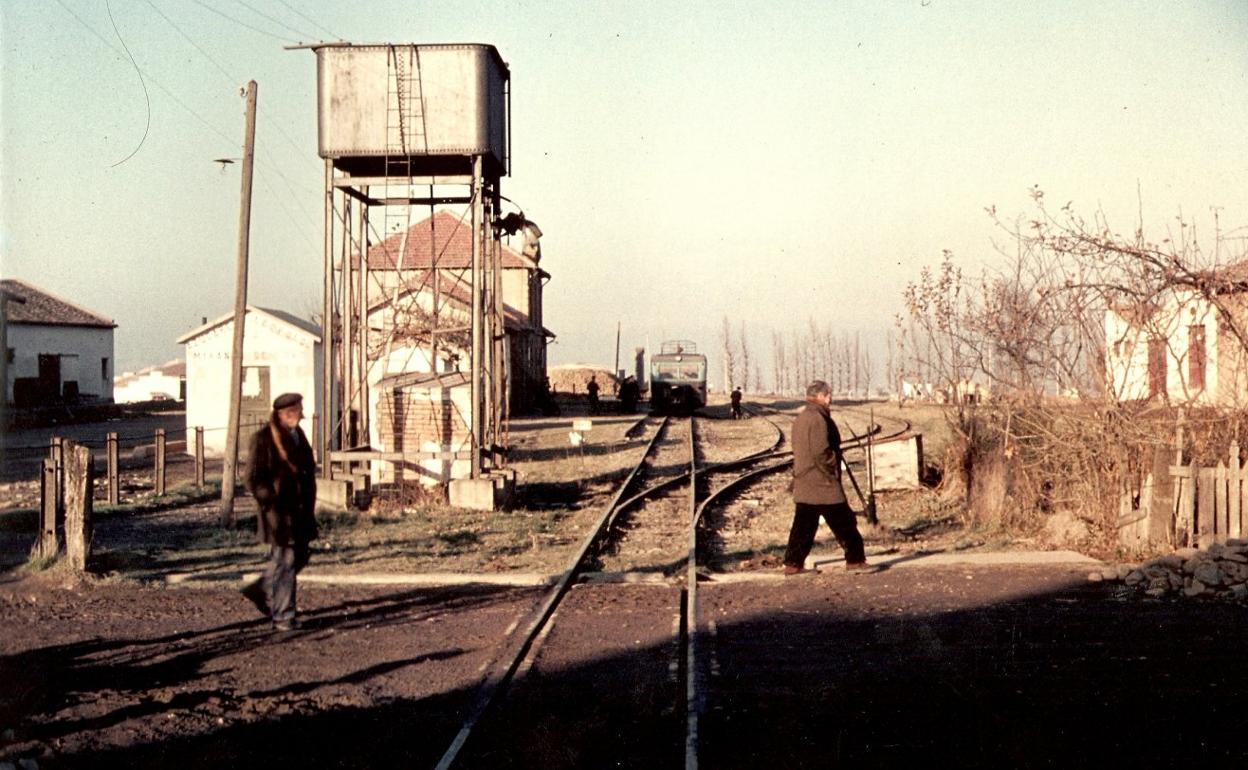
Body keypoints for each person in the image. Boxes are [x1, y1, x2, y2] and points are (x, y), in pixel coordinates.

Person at [241, 392, 319, 630]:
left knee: (301, 555)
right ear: (285, 414)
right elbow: (252, 479)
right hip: (279, 514)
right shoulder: (263, 439)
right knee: (286, 560)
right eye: (298, 410)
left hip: (300, 512)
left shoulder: (298, 435)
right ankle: (283, 615)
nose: (302, 414)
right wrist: (271, 502)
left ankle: (261, 587)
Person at [783, 380, 874, 575]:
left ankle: (792, 564)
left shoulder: (802, 418)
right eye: (828, 395)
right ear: (822, 396)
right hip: (822, 483)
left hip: (806, 481)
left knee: (803, 526)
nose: (830, 399)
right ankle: (856, 561)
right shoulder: (817, 419)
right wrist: (834, 465)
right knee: (845, 523)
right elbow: (820, 452)